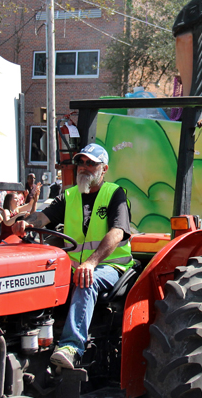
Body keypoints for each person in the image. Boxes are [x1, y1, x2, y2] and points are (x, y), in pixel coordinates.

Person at [20, 143, 132, 369]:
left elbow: (117, 231)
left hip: (110, 267)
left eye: (91, 163)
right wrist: (26, 223)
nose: (84, 167)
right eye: (80, 162)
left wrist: (91, 263)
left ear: (104, 168)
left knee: (85, 280)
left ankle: (71, 347)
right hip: (75, 267)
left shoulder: (114, 193)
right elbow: (43, 218)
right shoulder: (69, 196)